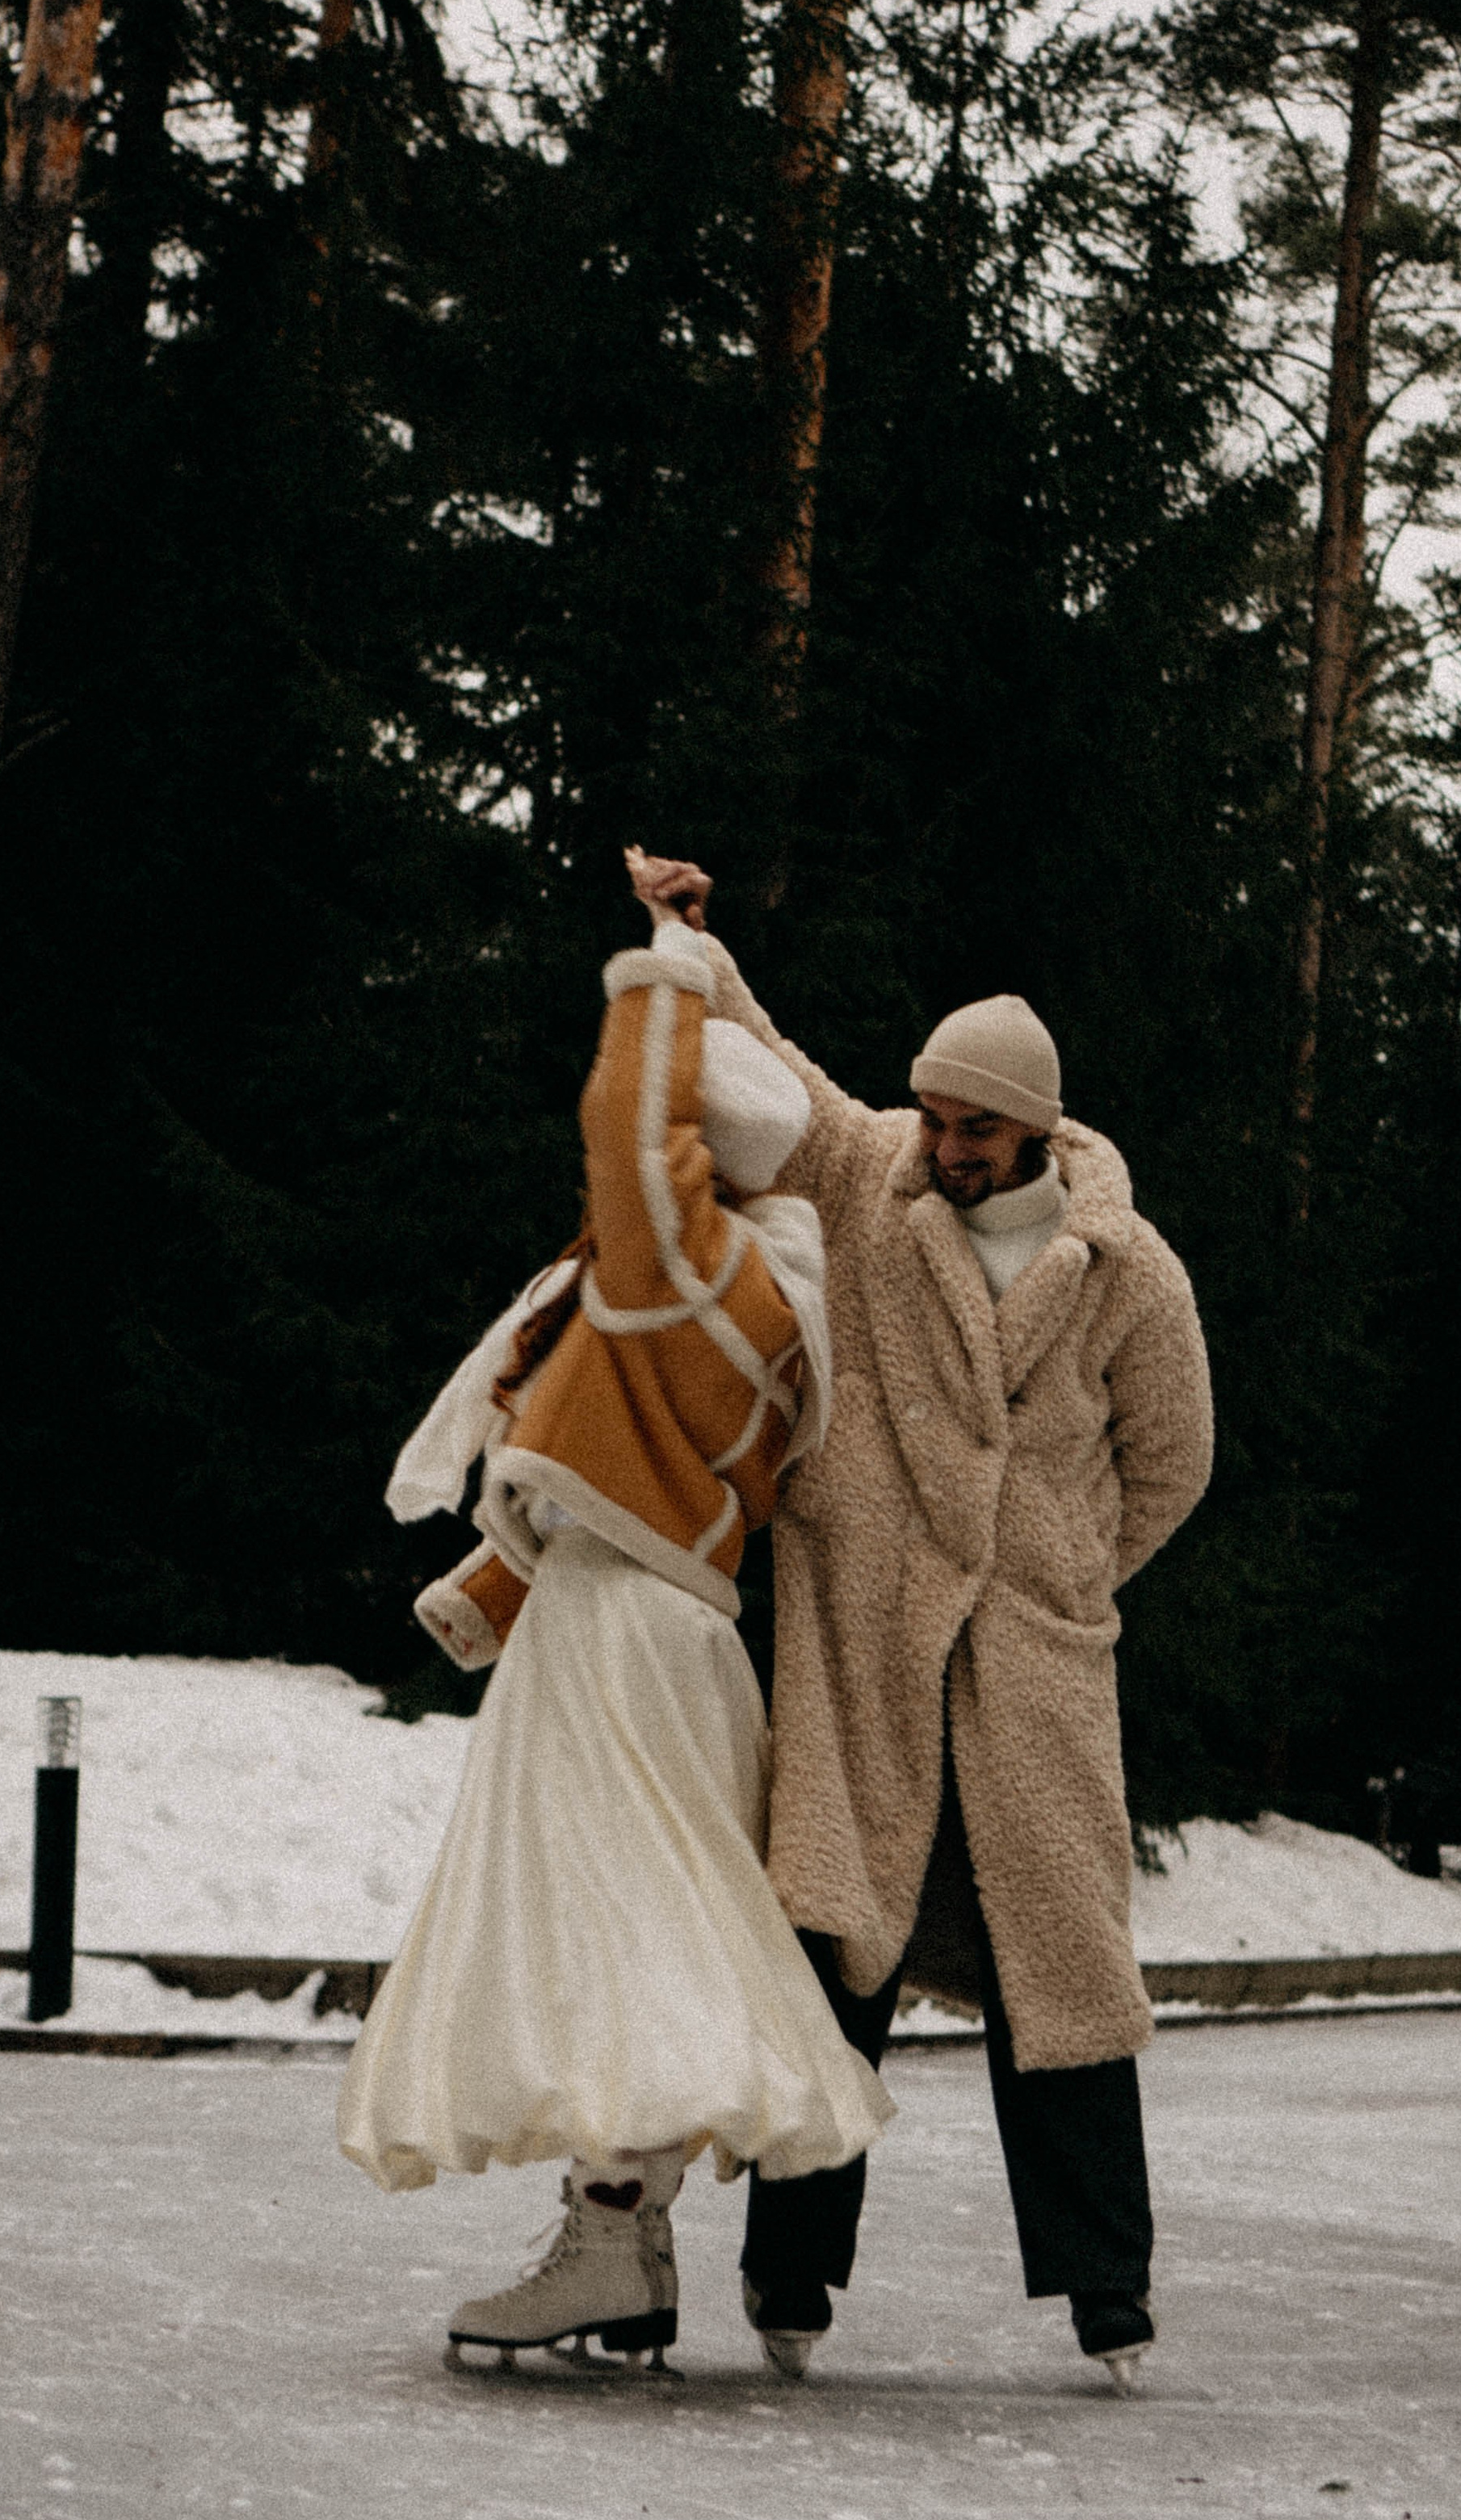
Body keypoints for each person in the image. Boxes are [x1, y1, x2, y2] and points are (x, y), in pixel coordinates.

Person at [625, 849, 1215, 2393]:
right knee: (837, 1954)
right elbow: (782, 1070)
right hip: (866, 1645)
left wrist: (1061, 1573)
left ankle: (1110, 2295)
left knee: (1061, 1975)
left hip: (1032, 1668)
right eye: (937, 1118)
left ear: (1037, 1131)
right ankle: (789, 2279)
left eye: (975, 1129)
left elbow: (1174, 1463)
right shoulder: (874, 1180)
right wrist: (696, 944)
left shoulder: (1130, 1272)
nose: (946, 1148)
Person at [335, 891, 892, 2368]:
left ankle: (606, 2247)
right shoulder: (740, 1290)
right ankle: (622, 2248)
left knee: (616, 1936)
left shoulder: (687, 1272)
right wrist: (496, 1587)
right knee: (633, 1930)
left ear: (706, 1146)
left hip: (622, 1648)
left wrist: (667, 963)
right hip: (658, 1634)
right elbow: (622, 1477)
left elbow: (624, 1132)